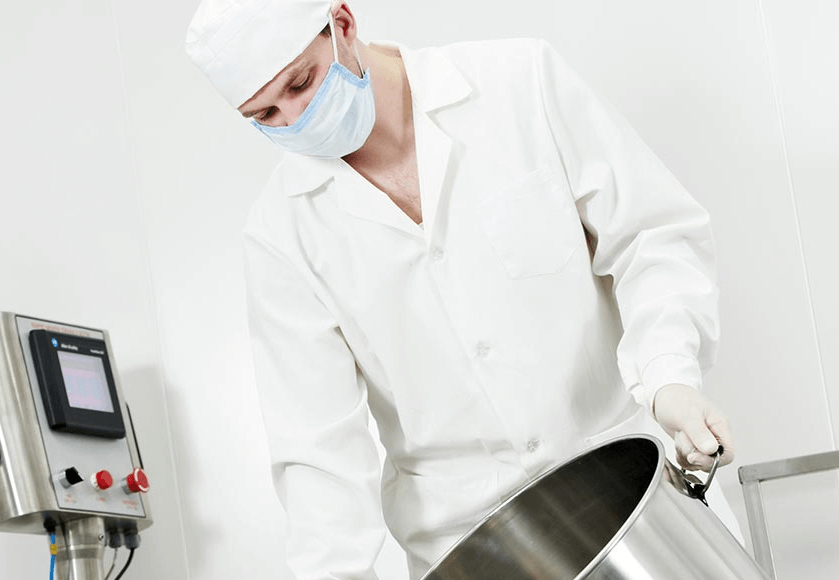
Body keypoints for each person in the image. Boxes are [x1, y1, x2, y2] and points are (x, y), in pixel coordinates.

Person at [183, 0, 739, 577]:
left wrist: (670, 374)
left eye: (301, 83)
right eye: (266, 114)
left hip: (638, 501)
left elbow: (652, 236)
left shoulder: (517, 84)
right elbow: (318, 456)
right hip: (474, 551)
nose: (295, 118)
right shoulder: (282, 235)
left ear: (343, 24)